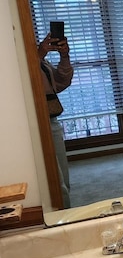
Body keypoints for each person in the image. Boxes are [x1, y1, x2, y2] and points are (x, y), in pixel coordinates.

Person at [38, 33, 73, 208]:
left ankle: (66, 213)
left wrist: (64, 55)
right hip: (37, 124)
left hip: (52, 121)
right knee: (56, 182)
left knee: (63, 179)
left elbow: (62, 81)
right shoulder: (27, 62)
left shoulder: (41, 62)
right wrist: (38, 55)